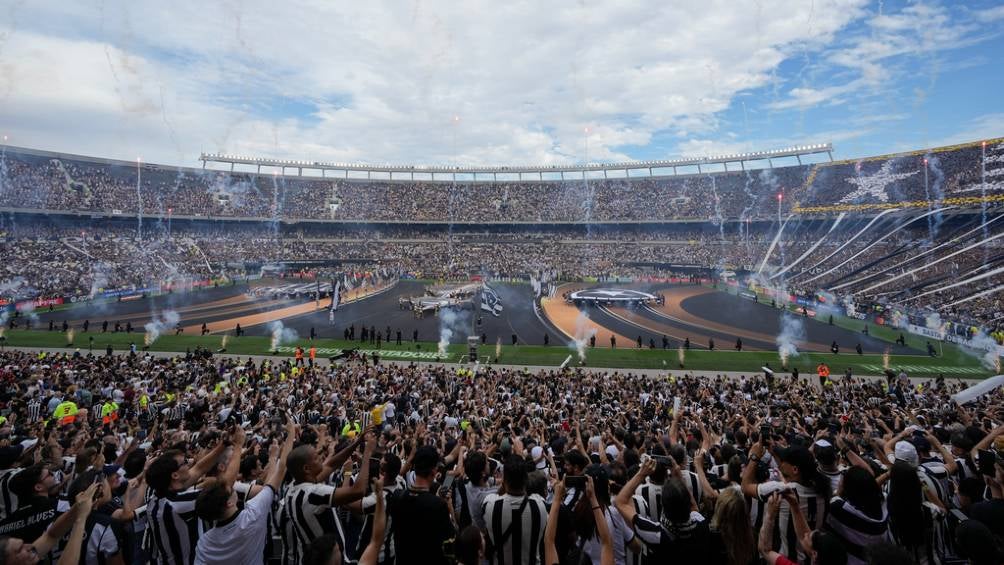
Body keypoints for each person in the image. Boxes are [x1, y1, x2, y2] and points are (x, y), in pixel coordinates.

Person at [194, 419, 296, 565]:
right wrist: (290, 434)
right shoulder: (253, 516)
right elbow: (280, 471)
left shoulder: (204, 543)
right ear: (229, 502)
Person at [283, 430, 376, 564]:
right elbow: (358, 490)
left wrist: (357, 442)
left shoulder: (293, 488)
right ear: (306, 469)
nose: (321, 458)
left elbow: (332, 464)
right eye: (316, 458)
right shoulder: (313, 494)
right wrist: (367, 454)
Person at [145, 433, 231, 565]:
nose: (189, 463)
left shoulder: (156, 496)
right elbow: (226, 488)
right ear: (175, 475)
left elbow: (199, 469)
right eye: (184, 462)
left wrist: (223, 445)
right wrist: (238, 448)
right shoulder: (178, 504)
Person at [615, 459, 709, 562]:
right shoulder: (701, 524)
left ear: (663, 505)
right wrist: (679, 478)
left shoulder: (657, 535)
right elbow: (694, 508)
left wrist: (642, 473)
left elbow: (620, 502)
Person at [387, 446, 455, 565]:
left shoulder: (396, 497)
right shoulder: (438, 506)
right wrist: (447, 505)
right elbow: (450, 544)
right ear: (434, 471)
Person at [480, 455, 548, 565]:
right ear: (526, 479)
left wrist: (504, 485)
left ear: (504, 480)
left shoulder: (489, 504)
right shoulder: (540, 505)